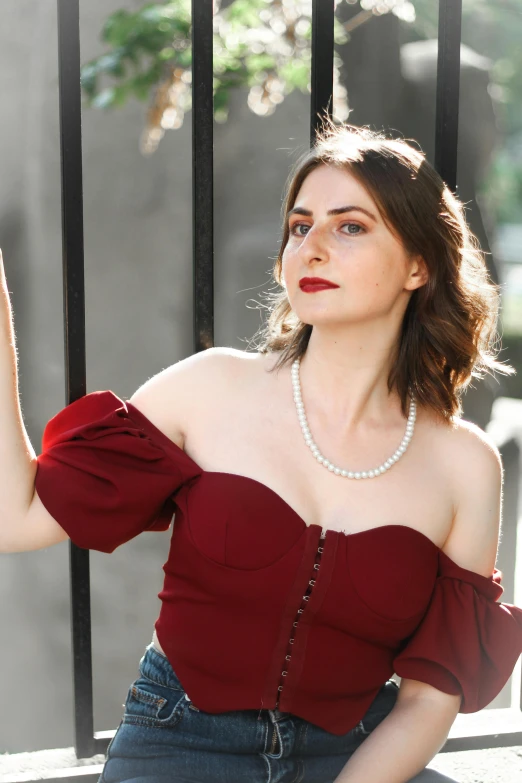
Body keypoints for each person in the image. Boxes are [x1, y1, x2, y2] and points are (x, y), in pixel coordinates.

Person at [2, 121, 522, 783]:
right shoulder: (209, 387)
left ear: (418, 265)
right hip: (178, 745)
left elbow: (429, 697)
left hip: (359, 756)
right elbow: (14, 516)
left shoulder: (466, 466)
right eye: (300, 226)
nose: (312, 248)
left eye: (350, 226)